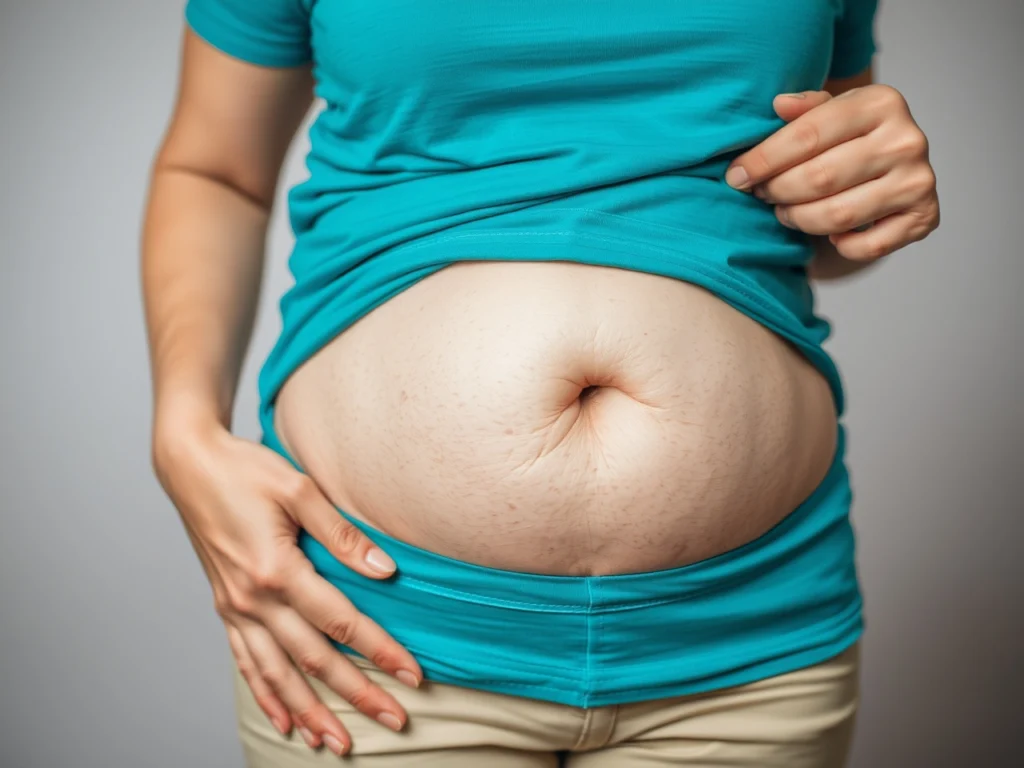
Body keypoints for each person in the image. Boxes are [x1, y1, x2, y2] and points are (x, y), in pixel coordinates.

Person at [141, 1, 939, 765]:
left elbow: (822, 203)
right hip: (378, 630)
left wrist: (876, 182)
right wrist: (184, 430)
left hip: (748, 634)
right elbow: (217, 170)